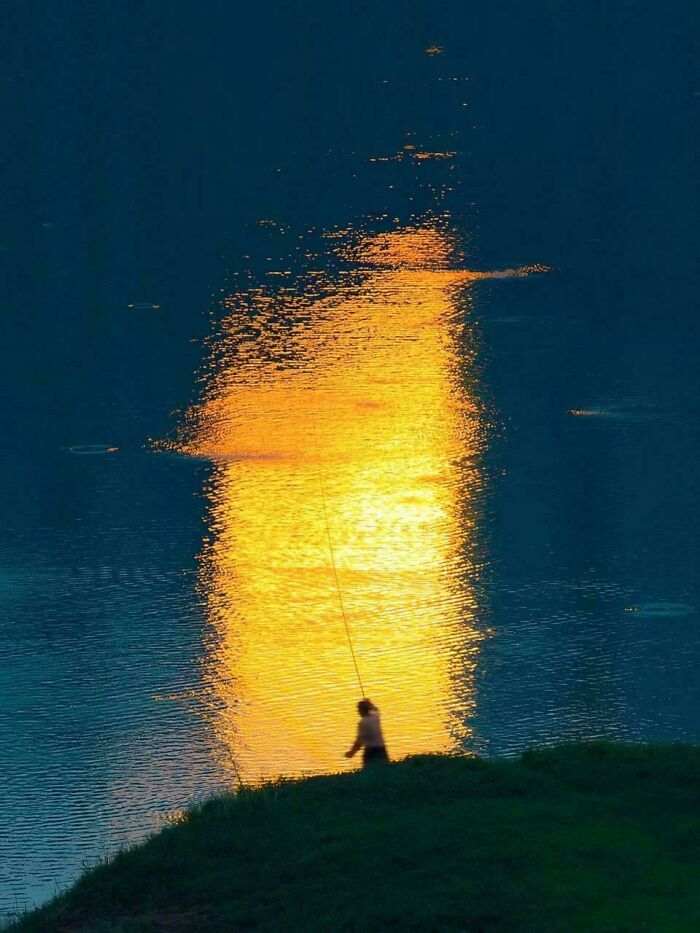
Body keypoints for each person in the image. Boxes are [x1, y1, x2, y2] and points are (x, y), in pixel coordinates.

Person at [344, 698, 389, 767]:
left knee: (369, 769)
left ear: (362, 710)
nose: (358, 711)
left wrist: (352, 752)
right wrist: (370, 704)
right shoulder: (375, 717)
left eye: (359, 709)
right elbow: (376, 710)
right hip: (381, 748)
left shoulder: (363, 723)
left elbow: (360, 740)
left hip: (370, 750)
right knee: (385, 767)